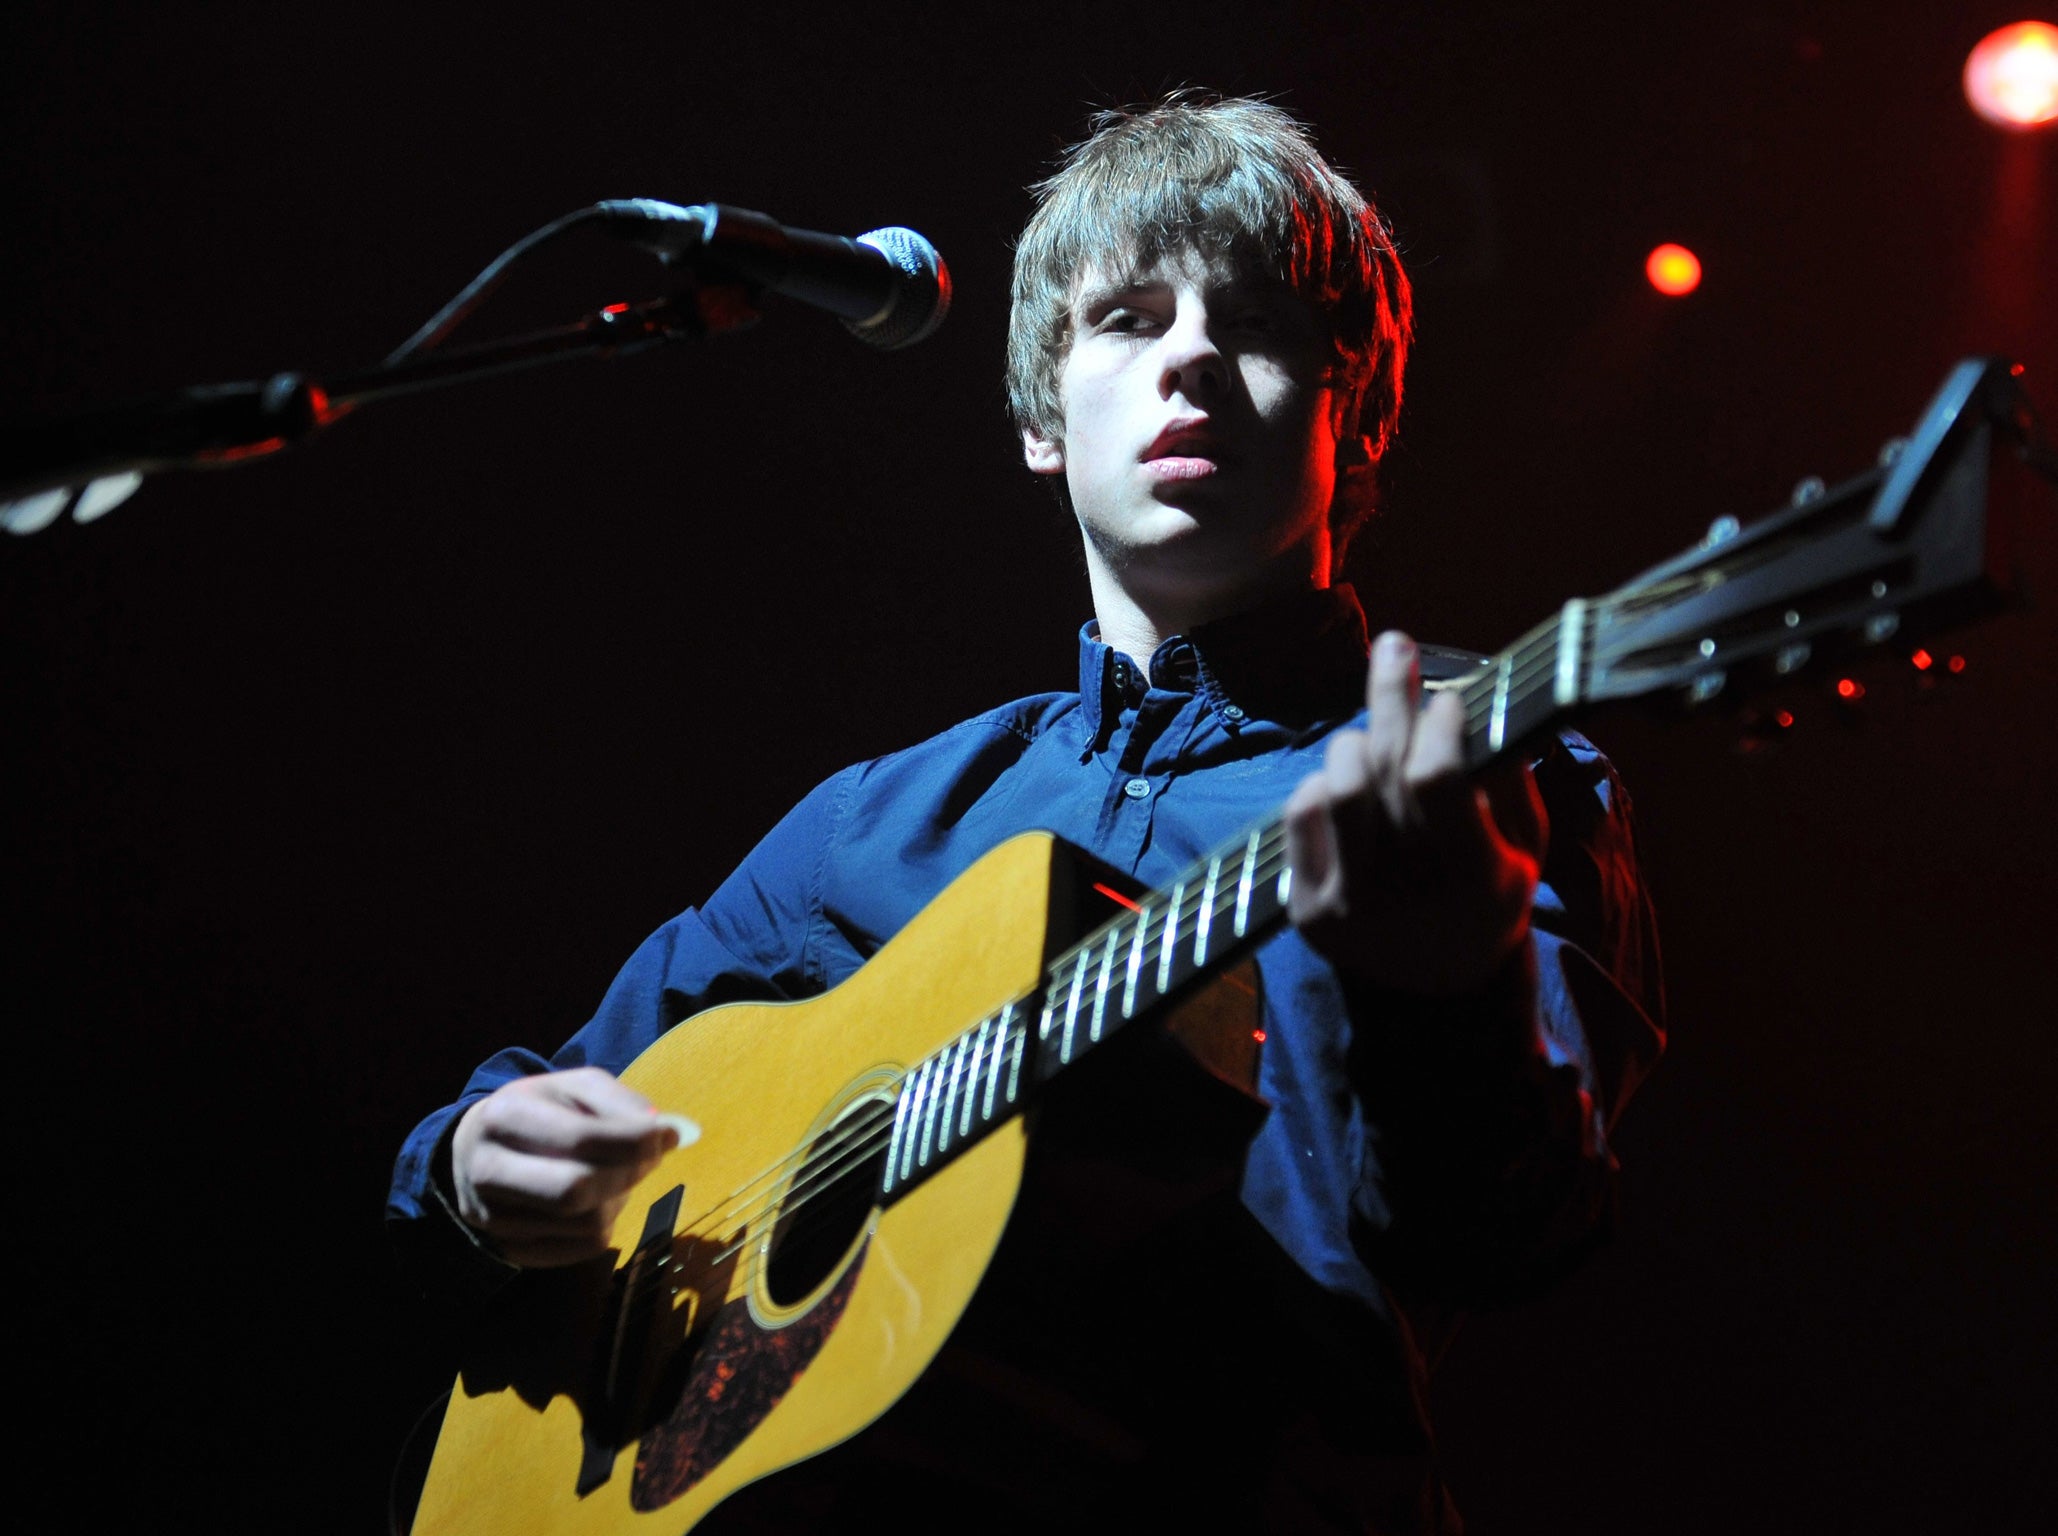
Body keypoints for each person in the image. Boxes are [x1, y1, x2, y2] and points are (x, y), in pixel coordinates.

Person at [388, 95, 1664, 1533]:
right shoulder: (875, 822)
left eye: (1250, 323)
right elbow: (546, 1101)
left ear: (1354, 415)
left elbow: (1506, 1238)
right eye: (1126, 319)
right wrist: (471, 1164)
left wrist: (1450, 983)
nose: (1188, 357)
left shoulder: (1466, 768)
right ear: (1041, 422)